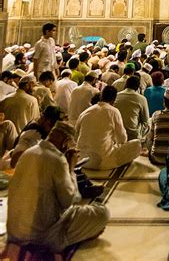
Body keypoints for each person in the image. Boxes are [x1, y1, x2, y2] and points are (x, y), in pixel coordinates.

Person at [7, 121, 109, 252]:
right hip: (41, 236)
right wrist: (71, 167)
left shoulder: (28, 152)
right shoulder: (57, 159)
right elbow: (70, 200)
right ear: (65, 141)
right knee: (101, 213)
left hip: (14, 233)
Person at [75, 85, 141, 170]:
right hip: (100, 162)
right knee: (137, 144)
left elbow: (76, 134)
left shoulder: (86, 111)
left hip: (81, 160)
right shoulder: (113, 111)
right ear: (114, 99)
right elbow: (122, 139)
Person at [149, 87, 169, 166]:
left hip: (156, 157)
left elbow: (151, 137)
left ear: (164, 101)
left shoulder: (156, 115)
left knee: (149, 133)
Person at [114, 75, 149, 140]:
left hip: (116, 132)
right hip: (133, 133)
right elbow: (145, 120)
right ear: (138, 87)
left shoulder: (116, 96)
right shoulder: (141, 99)